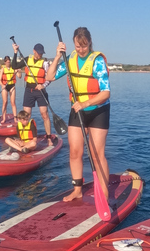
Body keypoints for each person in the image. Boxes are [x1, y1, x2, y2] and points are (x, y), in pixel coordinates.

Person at [46, 27, 111, 202]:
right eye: (77, 46)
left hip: (98, 110)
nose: (81, 49)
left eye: (84, 46)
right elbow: (49, 77)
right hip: (78, 111)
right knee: (75, 152)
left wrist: (85, 103)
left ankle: (104, 194)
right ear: (73, 44)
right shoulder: (69, 60)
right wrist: (58, 56)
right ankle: (77, 190)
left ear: (89, 43)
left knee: (96, 154)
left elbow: (106, 92)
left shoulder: (97, 61)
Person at [11, 42, 53, 145]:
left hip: (40, 90)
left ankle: (48, 137)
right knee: (26, 116)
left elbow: (49, 77)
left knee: (44, 114)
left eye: (42, 53)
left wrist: (43, 85)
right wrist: (15, 52)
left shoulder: (45, 63)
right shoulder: (27, 59)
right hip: (29, 90)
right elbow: (14, 66)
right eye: (38, 53)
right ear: (34, 51)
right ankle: (24, 139)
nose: (40, 55)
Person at [0, 56, 21, 123]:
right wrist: (2, 85)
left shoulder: (13, 68)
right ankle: (4, 118)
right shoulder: (3, 69)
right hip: (5, 86)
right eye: (7, 62)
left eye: (9, 62)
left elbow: (19, 77)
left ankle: (15, 118)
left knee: (13, 102)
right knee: (5, 102)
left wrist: (18, 71)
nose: (8, 63)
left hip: (12, 86)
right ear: (5, 62)